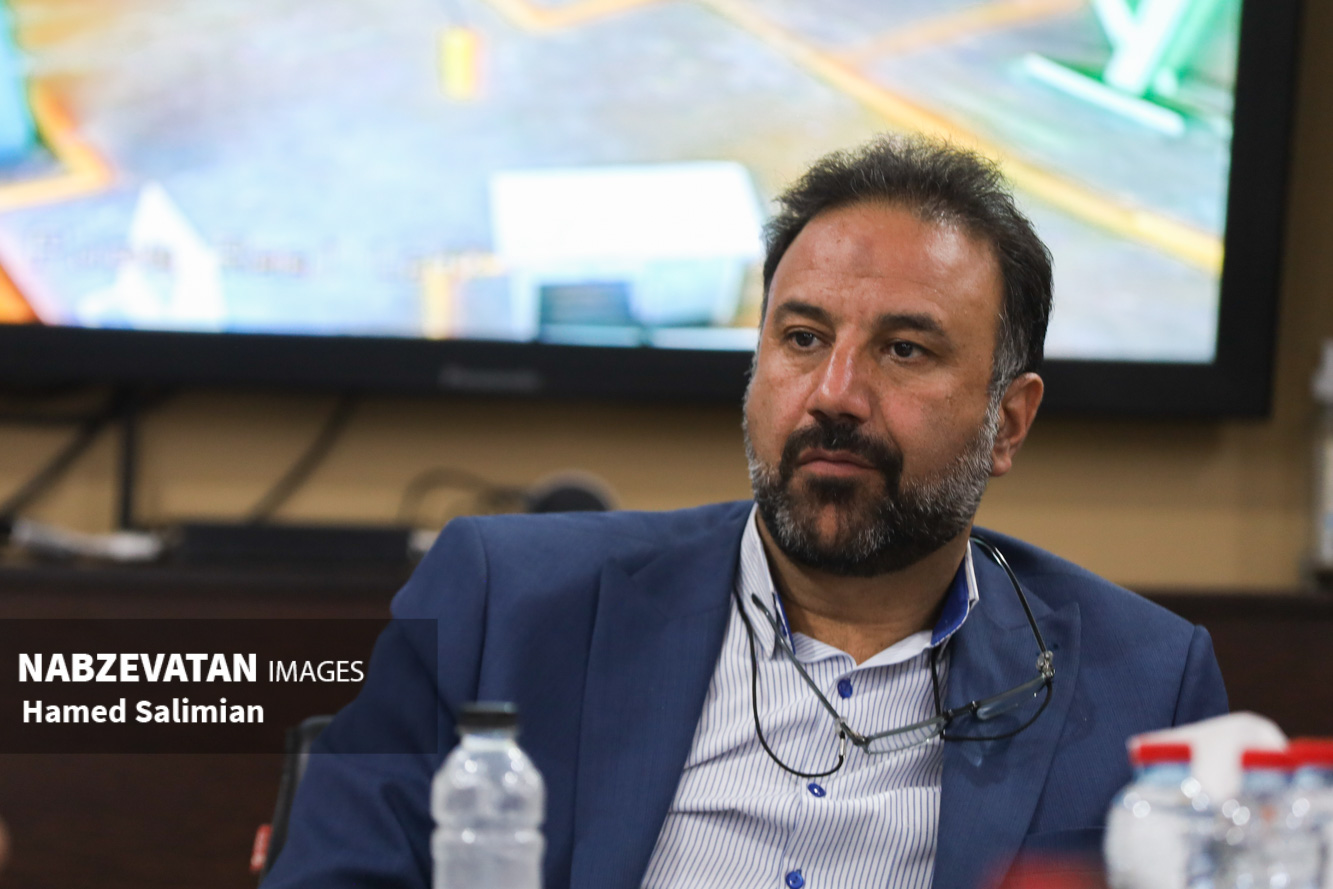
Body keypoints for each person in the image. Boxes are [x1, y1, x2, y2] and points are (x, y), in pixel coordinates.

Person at [262, 135, 1228, 889]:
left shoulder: (1144, 681)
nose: (834, 393)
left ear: (1006, 422)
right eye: (802, 337)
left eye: (904, 350)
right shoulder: (502, 603)